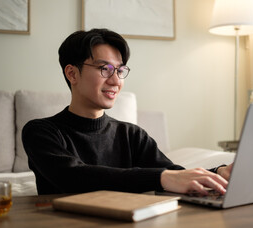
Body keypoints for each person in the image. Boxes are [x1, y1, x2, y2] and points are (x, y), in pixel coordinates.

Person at [22, 28, 233, 195]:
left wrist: (218, 173)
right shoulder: (41, 132)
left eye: (120, 71)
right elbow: (73, 177)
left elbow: (174, 174)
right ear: (72, 73)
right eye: (104, 69)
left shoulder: (132, 135)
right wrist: (160, 178)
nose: (115, 81)